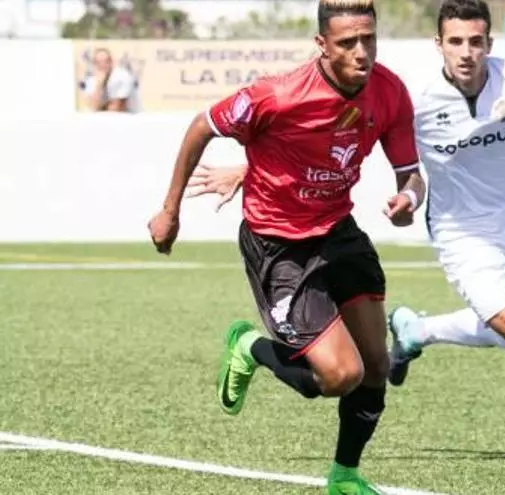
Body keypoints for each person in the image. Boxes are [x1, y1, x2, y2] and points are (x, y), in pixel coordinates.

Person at [186, 0, 505, 471]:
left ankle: (417, 330)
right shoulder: (418, 102)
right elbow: (327, 139)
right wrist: (248, 169)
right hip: (461, 237)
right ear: (439, 45)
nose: (466, 52)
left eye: (476, 41)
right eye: (455, 42)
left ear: (489, 43)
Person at [147, 1, 425, 493]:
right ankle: (249, 347)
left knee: (376, 365)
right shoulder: (277, 96)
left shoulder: (390, 91)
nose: (362, 53)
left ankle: (344, 477)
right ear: (322, 44)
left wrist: (409, 199)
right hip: (279, 245)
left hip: (338, 232)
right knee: (340, 376)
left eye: (369, 39)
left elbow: (411, 175)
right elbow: (202, 126)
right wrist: (171, 210)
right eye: (347, 43)